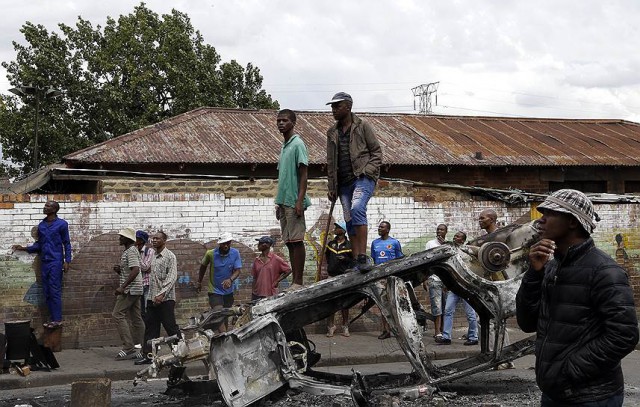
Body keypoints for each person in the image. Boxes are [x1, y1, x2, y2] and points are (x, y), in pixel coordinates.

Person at [516, 189, 638, 406]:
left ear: (572, 222)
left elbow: (624, 335)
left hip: (592, 397)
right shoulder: (552, 267)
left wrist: (568, 371)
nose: (541, 219)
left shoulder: (604, 271)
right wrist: (534, 274)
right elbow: (527, 323)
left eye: (550, 213)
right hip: (554, 393)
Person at [326, 92, 383, 272]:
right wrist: (331, 186)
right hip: (343, 184)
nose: (333, 110)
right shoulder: (332, 132)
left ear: (348, 107)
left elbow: (377, 153)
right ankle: (357, 260)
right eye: (332, 107)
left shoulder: (362, 126)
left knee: (357, 208)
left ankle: (362, 257)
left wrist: (367, 172)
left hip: (362, 178)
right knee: (349, 219)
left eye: (337, 106)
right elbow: (330, 161)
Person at [12, 200, 72, 328]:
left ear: (54, 209)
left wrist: (67, 261)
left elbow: (66, 243)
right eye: (45, 205)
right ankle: (52, 318)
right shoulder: (42, 225)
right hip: (44, 262)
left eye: (48, 206)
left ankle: (57, 319)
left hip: (56, 262)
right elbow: (39, 244)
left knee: (54, 290)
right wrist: (23, 248)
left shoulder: (62, 224)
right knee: (47, 291)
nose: (45, 208)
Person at [275, 109, 311, 290]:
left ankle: (298, 281)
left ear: (293, 123)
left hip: (294, 200)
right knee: (289, 242)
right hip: (283, 201)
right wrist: (278, 202)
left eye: (284, 120)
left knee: (297, 241)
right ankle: (294, 282)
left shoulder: (298, 144)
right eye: (278, 120)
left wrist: (299, 200)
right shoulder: (283, 146)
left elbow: (303, 175)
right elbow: (283, 177)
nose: (281, 123)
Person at [135, 231, 180, 365]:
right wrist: (153, 296)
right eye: (153, 238)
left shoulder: (170, 257)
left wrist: (161, 294)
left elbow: (171, 278)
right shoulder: (153, 255)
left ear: (164, 241)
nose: (154, 241)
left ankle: (180, 353)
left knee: (170, 327)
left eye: (157, 239)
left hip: (166, 299)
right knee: (150, 328)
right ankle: (148, 355)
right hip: (151, 298)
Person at [436, 231, 479, 346]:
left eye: (458, 237)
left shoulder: (467, 251)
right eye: (455, 236)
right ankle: (446, 337)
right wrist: (447, 284)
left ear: (463, 240)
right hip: (454, 287)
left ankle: (473, 337)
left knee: (470, 313)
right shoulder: (451, 251)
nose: (455, 238)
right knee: (448, 311)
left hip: (467, 288)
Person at [197, 233, 242, 332]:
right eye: (223, 244)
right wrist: (199, 282)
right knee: (218, 312)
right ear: (219, 244)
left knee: (224, 315)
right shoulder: (211, 254)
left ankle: (223, 337)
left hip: (228, 291)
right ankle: (224, 337)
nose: (226, 246)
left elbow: (238, 271)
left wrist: (230, 279)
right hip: (214, 290)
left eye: (228, 243)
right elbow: (203, 267)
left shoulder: (235, 253)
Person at [112, 227, 144, 360]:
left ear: (127, 239)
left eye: (122, 237)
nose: (119, 238)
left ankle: (128, 347)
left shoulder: (130, 251)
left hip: (130, 289)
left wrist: (122, 287)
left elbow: (136, 270)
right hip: (135, 288)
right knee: (136, 318)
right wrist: (120, 270)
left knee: (117, 314)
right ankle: (144, 347)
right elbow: (131, 269)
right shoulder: (130, 251)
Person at [371, 221, 403, 339]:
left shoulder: (394, 242)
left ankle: (398, 330)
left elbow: (400, 260)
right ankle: (386, 330)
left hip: (392, 278)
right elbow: (374, 261)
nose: (379, 228)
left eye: (382, 227)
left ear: (388, 230)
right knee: (383, 305)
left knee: (395, 305)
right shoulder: (375, 243)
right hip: (380, 279)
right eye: (379, 226)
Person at [323, 221, 354, 337]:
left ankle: (345, 326)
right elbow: (327, 256)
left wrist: (345, 260)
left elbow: (353, 261)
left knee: (345, 304)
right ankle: (331, 326)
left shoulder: (349, 245)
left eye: (338, 227)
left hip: (344, 277)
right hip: (332, 276)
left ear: (343, 231)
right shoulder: (331, 244)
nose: (335, 229)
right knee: (331, 303)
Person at [424, 224, 447, 339]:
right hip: (434, 279)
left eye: (442, 229)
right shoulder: (430, 244)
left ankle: (444, 330)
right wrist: (424, 279)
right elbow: (425, 262)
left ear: (446, 232)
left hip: (448, 281)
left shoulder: (448, 245)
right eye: (438, 229)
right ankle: (437, 331)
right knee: (436, 306)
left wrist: (444, 245)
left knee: (446, 307)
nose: (439, 231)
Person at [251, 236, 291, 301]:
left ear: (267, 245)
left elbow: (288, 270)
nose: (258, 245)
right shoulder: (256, 260)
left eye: (260, 243)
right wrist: (253, 292)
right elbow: (254, 278)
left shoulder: (276, 259)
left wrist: (277, 281)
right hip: (257, 294)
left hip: (270, 293)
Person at [135, 230, 154, 318]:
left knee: (147, 309)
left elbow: (145, 267)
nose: (135, 240)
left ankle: (148, 329)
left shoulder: (149, 251)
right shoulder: (134, 250)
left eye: (137, 238)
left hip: (146, 284)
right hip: (137, 284)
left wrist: (136, 257)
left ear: (141, 240)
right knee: (138, 311)